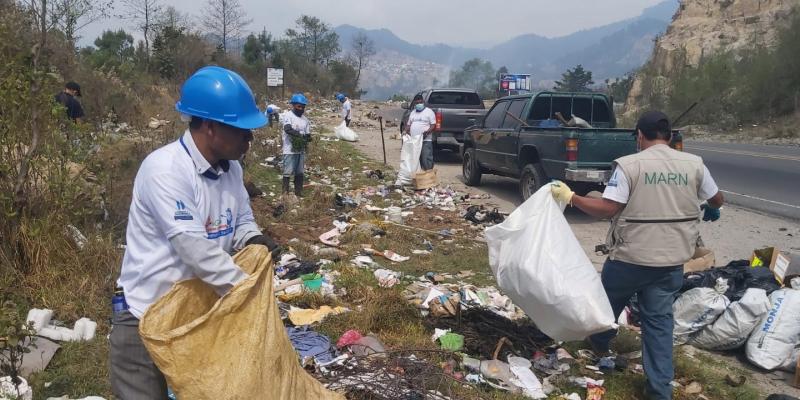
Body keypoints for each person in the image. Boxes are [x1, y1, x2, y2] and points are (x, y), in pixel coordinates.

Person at [109, 66, 279, 399]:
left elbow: (241, 218)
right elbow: (195, 250)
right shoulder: (166, 170)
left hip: (197, 318)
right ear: (211, 128)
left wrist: (254, 239)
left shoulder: (232, 169)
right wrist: (249, 291)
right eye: (242, 130)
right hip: (146, 317)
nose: (250, 138)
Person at [550, 110, 723, 400]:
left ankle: (601, 341)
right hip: (671, 262)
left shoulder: (630, 166)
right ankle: (659, 391)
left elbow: (608, 208)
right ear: (669, 137)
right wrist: (712, 207)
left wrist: (571, 197)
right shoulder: (694, 164)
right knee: (659, 323)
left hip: (630, 258)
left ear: (640, 136)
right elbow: (717, 199)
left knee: (606, 304)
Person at [280, 93, 312, 197]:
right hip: (289, 149)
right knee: (287, 172)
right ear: (293, 105)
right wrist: (299, 135)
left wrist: (307, 138)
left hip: (300, 150)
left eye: (303, 106)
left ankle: (298, 193)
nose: (301, 108)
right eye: (299, 106)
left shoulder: (305, 120)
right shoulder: (288, 116)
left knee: (299, 172)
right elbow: (287, 129)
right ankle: (285, 194)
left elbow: (307, 134)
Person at [405, 94, 436, 171]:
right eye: (417, 103)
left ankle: (428, 175)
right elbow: (409, 124)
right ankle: (417, 176)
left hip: (425, 140)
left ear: (423, 102)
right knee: (415, 159)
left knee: (426, 158)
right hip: (414, 140)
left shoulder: (429, 112)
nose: (419, 104)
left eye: (420, 103)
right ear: (414, 104)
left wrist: (427, 132)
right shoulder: (413, 113)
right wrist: (405, 131)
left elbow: (433, 125)